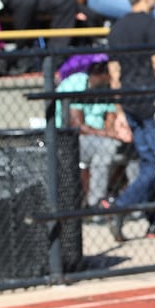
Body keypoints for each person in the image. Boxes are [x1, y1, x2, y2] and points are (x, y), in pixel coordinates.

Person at [104, 0, 155, 243]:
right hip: (151, 101)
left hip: (130, 99)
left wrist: (119, 108)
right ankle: (120, 207)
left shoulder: (117, 27)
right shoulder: (152, 24)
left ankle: (154, 221)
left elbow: (114, 73)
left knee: (148, 161)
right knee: (153, 166)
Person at [56, 58, 130, 222]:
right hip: (70, 139)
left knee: (126, 149)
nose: (111, 80)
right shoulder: (76, 83)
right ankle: (95, 203)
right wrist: (108, 134)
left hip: (97, 138)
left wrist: (116, 133)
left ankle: (134, 204)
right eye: (108, 76)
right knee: (105, 148)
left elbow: (110, 120)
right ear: (99, 74)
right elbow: (76, 125)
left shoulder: (107, 88)